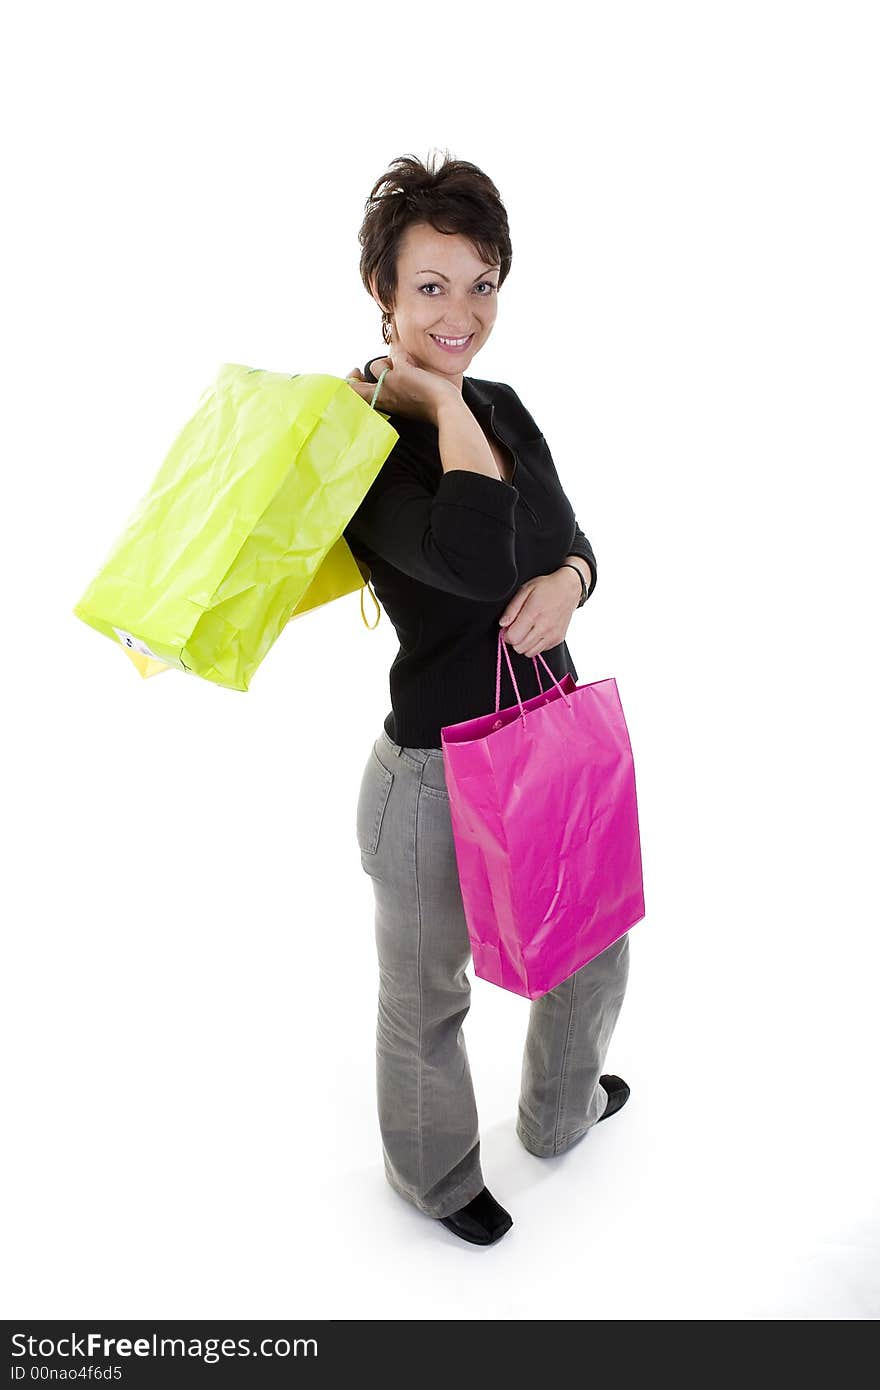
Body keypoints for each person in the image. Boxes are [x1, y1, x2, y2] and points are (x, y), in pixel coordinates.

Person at [343, 152, 630, 1247]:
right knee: (428, 996)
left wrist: (570, 581)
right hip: (430, 773)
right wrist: (434, 400)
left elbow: (564, 540)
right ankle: (434, 1175)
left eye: (481, 282)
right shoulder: (357, 442)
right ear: (383, 294)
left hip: (548, 733)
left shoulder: (503, 403)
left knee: (592, 943)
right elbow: (465, 554)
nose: (460, 312)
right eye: (430, 286)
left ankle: (559, 1112)